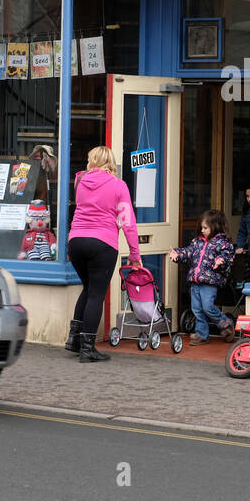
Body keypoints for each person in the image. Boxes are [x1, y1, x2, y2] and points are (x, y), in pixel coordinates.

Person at [66, 146, 141, 363]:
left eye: (89, 159)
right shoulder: (119, 186)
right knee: (97, 294)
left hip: (76, 241)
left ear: (93, 161)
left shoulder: (79, 181)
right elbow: (127, 221)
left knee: (88, 289)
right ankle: (87, 350)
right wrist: (134, 253)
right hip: (102, 243)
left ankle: (74, 340)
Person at [170, 209, 236, 346]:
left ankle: (226, 324)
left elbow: (227, 257)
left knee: (208, 307)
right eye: (202, 227)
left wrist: (221, 261)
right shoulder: (197, 242)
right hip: (195, 281)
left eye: (205, 227)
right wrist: (177, 254)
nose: (202, 230)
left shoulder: (223, 243)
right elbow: (188, 252)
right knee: (197, 309)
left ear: (216, 226)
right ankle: (201, 335)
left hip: (209, 282)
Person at [234, 182, 250, 281]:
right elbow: (242, 232)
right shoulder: (246, 212)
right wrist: (240, 246)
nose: (249, 199)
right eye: (247, 196)